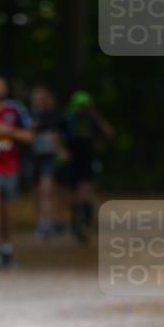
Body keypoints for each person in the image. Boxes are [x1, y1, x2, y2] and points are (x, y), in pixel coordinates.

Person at [0, 76, 33, 268]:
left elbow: (28, 136)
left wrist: (8, 130)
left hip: (11, 167)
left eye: (0, 86)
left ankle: (7, 248)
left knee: (8, 211)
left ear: (6, 89)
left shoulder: (16, 109)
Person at [58, 90, 114, 244]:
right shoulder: (68, 118)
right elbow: (56, 134)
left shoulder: (92, 120)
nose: (83, 109)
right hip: (72, 160)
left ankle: (84, 225)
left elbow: (108, 133)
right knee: (74, 194)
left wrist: (96, 116)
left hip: (88, 160)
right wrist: (60, 151)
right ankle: (77, 222)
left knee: (85, 192)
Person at [27, 85, 63, 240]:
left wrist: (59, 150)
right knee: (36, 192)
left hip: (47, 156)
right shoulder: (28, 114)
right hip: (32, 156)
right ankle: (41, 220)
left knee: (46, 190)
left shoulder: (52, 114)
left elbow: (55, 135)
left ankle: (47, 222)